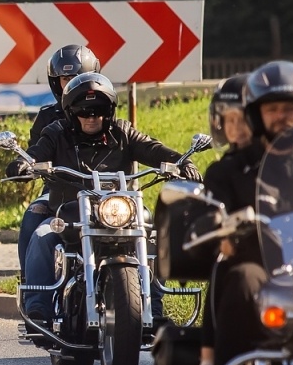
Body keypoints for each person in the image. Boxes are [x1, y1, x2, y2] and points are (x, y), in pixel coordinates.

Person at [180, 61, 293, 365]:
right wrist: (218, 231)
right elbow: (208, 217)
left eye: (291, 109)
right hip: (262, 264)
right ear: (259, 116)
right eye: (273, 110)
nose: (283, 117)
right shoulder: (230, 170)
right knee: (239, 279)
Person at [15, 72, 197, 325]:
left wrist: (181, 161)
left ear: (109, 111)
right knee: (43, 236)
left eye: (98, 111)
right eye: (83, 111)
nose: (91, 117)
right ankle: (38, 310)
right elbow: (35, 153)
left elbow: (152, 148)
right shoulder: (56, 132)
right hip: (70, 213)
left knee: (155, 236)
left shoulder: (122, 132)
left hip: (120, 211)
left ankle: (154, 308)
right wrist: (24, 164)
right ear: (70, 111)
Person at [16, 45, 101, 269]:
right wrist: (26, 164)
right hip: (59, 190)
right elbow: (35, 152)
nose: (71, 83)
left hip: (104, 190)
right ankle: (31, 287)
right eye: (66, 78)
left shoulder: (104, 110)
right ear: (57, 82)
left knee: (146, 226)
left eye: (78, 76)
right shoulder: (48, 118)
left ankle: (151, 299)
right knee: (33, 217)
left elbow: (133, 143)